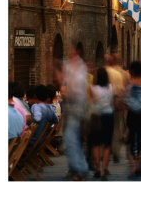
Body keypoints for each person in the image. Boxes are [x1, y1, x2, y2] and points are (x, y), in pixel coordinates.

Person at [55, 44, 89, 181]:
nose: (69, 53)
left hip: (77, 107)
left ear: (77, 53)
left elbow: (73, 89)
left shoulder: (79, 69)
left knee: (71, 139)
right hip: (71, 108)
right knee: (71, 139)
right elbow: (63, 83)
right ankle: (75, 168)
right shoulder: (71, 67)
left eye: (71, 51)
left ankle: (81, 169)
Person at [89, 67, 114, 181]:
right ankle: (105, 169)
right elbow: (112, 101)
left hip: (96, 116)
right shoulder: (111, 87)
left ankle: (97, 169)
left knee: (96, 143)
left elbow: (92, 101)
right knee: (107, 144)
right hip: (108, 115)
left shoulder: (93, 88)